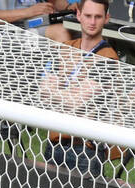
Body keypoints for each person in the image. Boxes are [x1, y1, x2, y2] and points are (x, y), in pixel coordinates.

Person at [39, 0, 120, 176]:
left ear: (106, 18)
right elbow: (43, 90)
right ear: (78, 15)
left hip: (85, 150)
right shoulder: (66, 48)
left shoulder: (108, 57)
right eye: (88, 16)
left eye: (98, 17)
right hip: (54, 143)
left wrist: (61, 87)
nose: (92, 22)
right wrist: (71, 91)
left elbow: (76, 102)